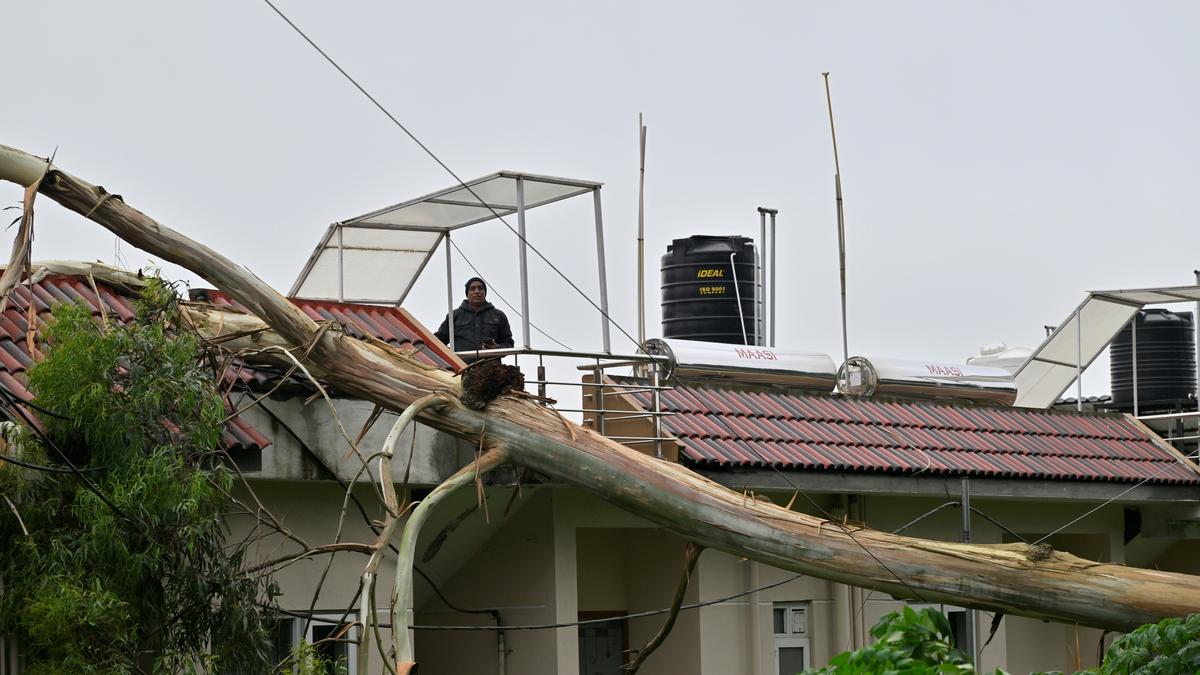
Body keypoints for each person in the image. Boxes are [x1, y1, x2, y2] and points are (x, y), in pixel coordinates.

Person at [434, 277, 514, 352]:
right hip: (462, 365)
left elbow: (509, 343)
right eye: (472, 289)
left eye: (480, 288)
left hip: (491, 365)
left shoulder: (498, 316)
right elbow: (437, 340)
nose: (477, 291)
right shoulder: (454, 316)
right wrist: (450, 354)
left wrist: (497, 349)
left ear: (485, 293)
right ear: (467, 294)